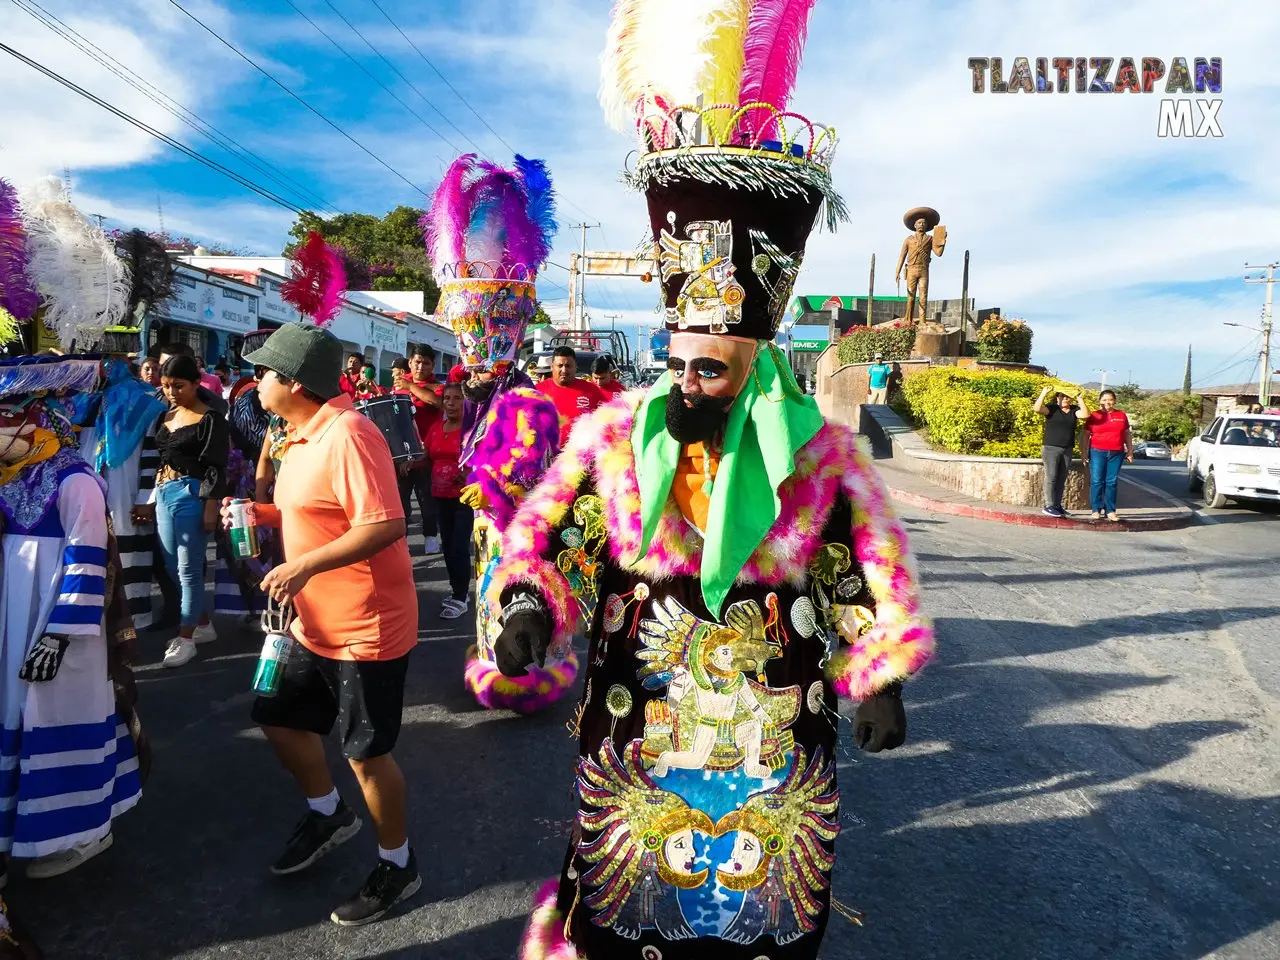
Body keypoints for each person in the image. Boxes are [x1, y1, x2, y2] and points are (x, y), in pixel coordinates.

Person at [498, 52, 934, 958]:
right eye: (681, 364)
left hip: (774, 714)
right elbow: (560, 537)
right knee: (627, 891)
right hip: (639, 707)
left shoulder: (816, 452)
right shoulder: (616, 438)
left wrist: (880, 671)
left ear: (756, 365)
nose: (691, 384)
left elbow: (859, 568)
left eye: (714, 368)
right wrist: (528, 606)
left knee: (764, 902)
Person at [231, 322, 420, 926]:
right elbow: (309, 511)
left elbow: (382, 523)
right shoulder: (299, 435)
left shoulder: (351, 432)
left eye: (264, 373)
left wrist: (304, 565)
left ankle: (399, 862)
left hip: (365, 626)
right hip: (308, 620)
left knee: (366, 754)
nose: (255, 383)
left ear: (292, 381)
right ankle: (328, 811)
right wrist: (255, 514)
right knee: (278, 718)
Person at [423, 152, 569, 712]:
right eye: (472, 357)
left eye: (488, 357)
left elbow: (535, 471)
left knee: (523, 593)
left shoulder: (528, 401)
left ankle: (532, 672)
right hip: (486, 524)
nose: (478, 365)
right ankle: (498, 666)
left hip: (521, 524)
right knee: (490, 598)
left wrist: (492, 487)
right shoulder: (473, 398)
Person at [0, 356, 142, 881]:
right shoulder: (11, 475)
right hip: (12, 616)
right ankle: (26, 828)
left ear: (36, 415)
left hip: (58, 622)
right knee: (15, 712)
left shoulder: (76, 479)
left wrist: (59, 635)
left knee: (58, 714)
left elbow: (89, 559)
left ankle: (84, 831)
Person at [135, 355, 229, 667]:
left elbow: (217, 466)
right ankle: (202, 624)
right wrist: (150, 498)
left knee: (189, 569)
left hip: (192, 495)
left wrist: (211, 506)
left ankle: (185, 638)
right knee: (172, 565)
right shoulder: (165, 415)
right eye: (165, 385)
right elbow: (160, 460)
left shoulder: (211, 419)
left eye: (179, 385)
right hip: (163, 494)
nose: (172, 391)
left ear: (195, 383)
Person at [426, 382, 471, 619]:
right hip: (439, 496)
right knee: (448, 547)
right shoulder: (436, 428)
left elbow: (483, 458)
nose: (451, 403)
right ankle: (458, 591)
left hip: (464, 498)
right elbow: (426, 455)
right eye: (447, 399)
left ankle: (461, 597)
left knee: (458, 548)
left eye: (456, 398)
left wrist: (468, 472)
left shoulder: (471, 430)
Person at [392, 346, 441, 555]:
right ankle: (400, 539)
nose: (421, 366)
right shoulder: (397, 387)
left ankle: (430, 535)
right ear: (410, 363)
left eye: (426, 363)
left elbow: (436, 402)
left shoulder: (438, 386)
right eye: (417, 362)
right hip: (403, 456)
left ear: (432, 366)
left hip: (427, 454)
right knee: (399, 501)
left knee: (427, 500)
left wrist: (410, 386)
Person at [1033, 385, 1089, 517]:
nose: (1065, 398)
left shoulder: (1074, 410)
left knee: (1061, 478)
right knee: (1051, 476)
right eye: (1062, 396)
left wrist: (1080, 399)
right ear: (1057, 397)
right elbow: (1037, 409)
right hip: (1051, 448)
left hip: (1067, 448)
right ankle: (1049, 505)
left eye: (1067, 397)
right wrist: (1043, 393)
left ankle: (1057, 506)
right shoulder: (1052, 408)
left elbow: (1085, 415)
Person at [537, 346, 609, 446]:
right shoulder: (537, 391)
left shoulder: (592, 390)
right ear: (552, 366)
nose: (564, 370)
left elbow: (606, 422)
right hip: (546, 455)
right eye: (560, 365)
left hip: (579, 457)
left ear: (575, 366)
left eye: (568, 366)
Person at [1083, 388, 1133, 522]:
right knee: (1096, 480)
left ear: (1115, 401)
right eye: (1104, 399)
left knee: (1112, 481)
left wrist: (1130, 451)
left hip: (1116, 453)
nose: (1107, 402)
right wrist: (1084, 452)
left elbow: (1127, 434)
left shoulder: (1121, 415)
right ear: (1100, 401)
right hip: (1097, 451)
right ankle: (1096, 509)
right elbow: (1086, 435)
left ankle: (1110, 510)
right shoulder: (1094, 416)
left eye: (1110, 399)